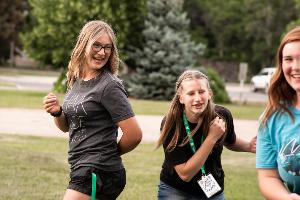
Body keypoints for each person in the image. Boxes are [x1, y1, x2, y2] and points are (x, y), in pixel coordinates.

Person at [42, 20, 142, 200]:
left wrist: (106, 153)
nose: (102, 52)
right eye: (96, 45)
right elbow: (67, 127)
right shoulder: (76, 79)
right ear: (83, 44)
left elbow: (134, 134)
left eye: (107, 47)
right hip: (82, 167)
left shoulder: (109, 86)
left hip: (99, 170)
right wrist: (58, 112)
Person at [157, 69, 256, 200]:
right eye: (191, 93)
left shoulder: (222, 116)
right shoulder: (171, 124)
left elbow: (230, 141)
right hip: (176, 190)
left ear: (209, 93)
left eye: (201, 92)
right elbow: (185, 174)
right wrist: (211, 138)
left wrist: (249, 146)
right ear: (181, 98)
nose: (197, 98)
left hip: (212, 191)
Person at [256, 26, 300, 200]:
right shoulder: (271, 118)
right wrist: (286, 198)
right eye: (288, 59)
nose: (295, 67)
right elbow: (268, 176)